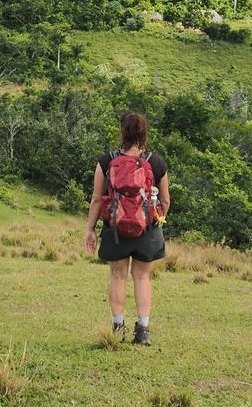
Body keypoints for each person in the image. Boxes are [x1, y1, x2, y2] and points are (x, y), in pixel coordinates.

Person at [84, 110, 170, 346]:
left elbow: (97, 199)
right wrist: (153, 221)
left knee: (118, 276)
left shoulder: (106, 161)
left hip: (115, 228)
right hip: (148, 229)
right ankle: (143, 330)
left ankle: (117, 327)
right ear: (144, 132)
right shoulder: (157, 162)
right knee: (142, 277)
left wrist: (90, 229)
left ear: (122, 132)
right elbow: (165, 201)